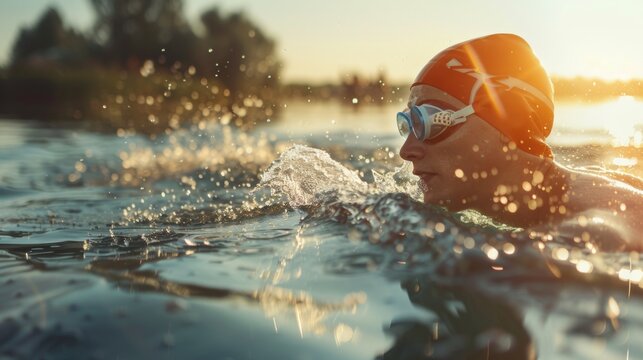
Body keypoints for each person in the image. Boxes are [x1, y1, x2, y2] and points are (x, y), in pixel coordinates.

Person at [397, 33, 642, 251]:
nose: (406, 151)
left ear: (507, 120)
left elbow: (609, 234)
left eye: (431, 121)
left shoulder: (605, 214)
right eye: (409, 124)